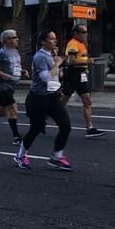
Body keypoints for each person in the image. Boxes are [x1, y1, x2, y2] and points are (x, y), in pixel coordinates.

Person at [14, 30, 73, 171]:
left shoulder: (50, 55)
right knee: (35, 129)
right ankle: (20, 155)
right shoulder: (39, 57)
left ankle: (57, 157)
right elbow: (45, 77)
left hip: (52, 96)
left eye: (55, 38)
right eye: (52, 39)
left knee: (66, 126)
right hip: (38, 98)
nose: (55, 41)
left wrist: (59, 67)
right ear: (43, 41)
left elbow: (55, 76)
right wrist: (57, 63)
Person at [61, 24, 106, 138]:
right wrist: (87, 62)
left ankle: (89, 128)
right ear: (76, 33)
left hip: (80, 75)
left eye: (86, 32)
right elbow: (70, 61)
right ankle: (89, 128)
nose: (86, 34)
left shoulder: (81, 44)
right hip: (73, 75)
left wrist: (85, 66)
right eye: (83, 32)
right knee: (81, 101)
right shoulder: (73, 43)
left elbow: (79, 59)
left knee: (74, 101)